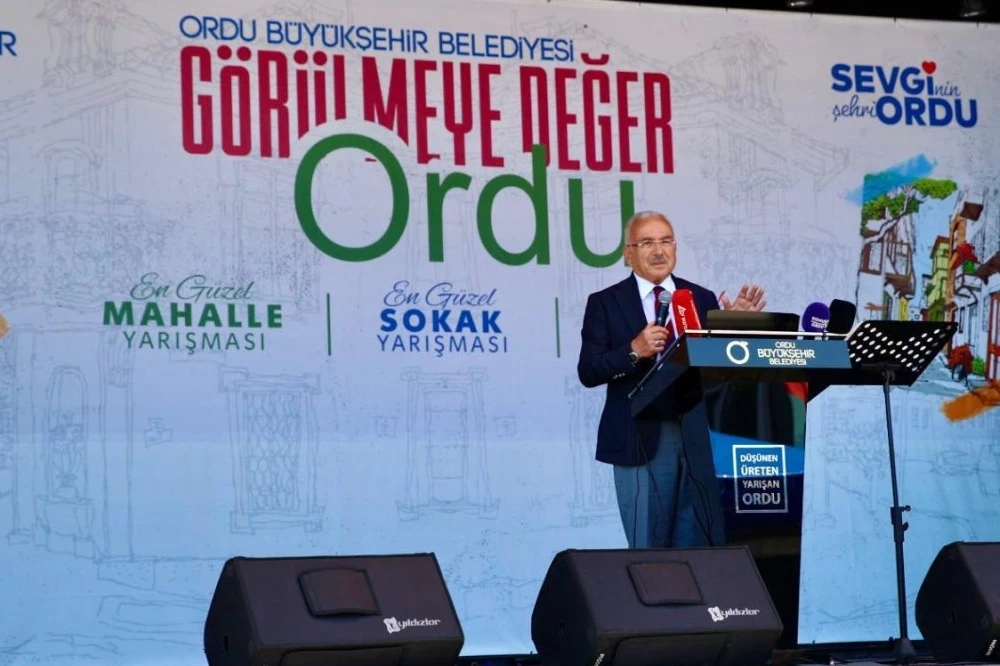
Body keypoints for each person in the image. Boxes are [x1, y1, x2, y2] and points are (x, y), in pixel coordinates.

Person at [577, 210, 766, 549]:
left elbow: (717, 369)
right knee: (650, 552)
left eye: (665, 241)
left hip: (699, 436)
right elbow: (588, 371)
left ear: (676, 248)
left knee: (697, 546)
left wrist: (732, 327)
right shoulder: (605, 303)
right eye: (647, 242)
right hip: (641, 439)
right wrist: (633, 350)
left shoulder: (701, 298)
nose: (658, 250)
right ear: (628, 253)